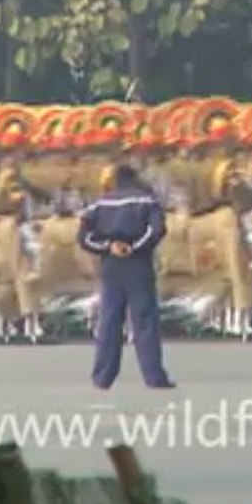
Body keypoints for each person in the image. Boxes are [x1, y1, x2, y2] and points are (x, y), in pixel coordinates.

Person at [79, 163, 175, 389]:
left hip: (111, 266)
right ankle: (154, 377)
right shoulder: (146, 201)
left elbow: (84, 236)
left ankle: (102, 378)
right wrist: (135, 247)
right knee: (144, 321)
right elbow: (157, 229)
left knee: (109, 321)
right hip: (137, 265)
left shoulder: (99, 204)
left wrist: (108, 246)